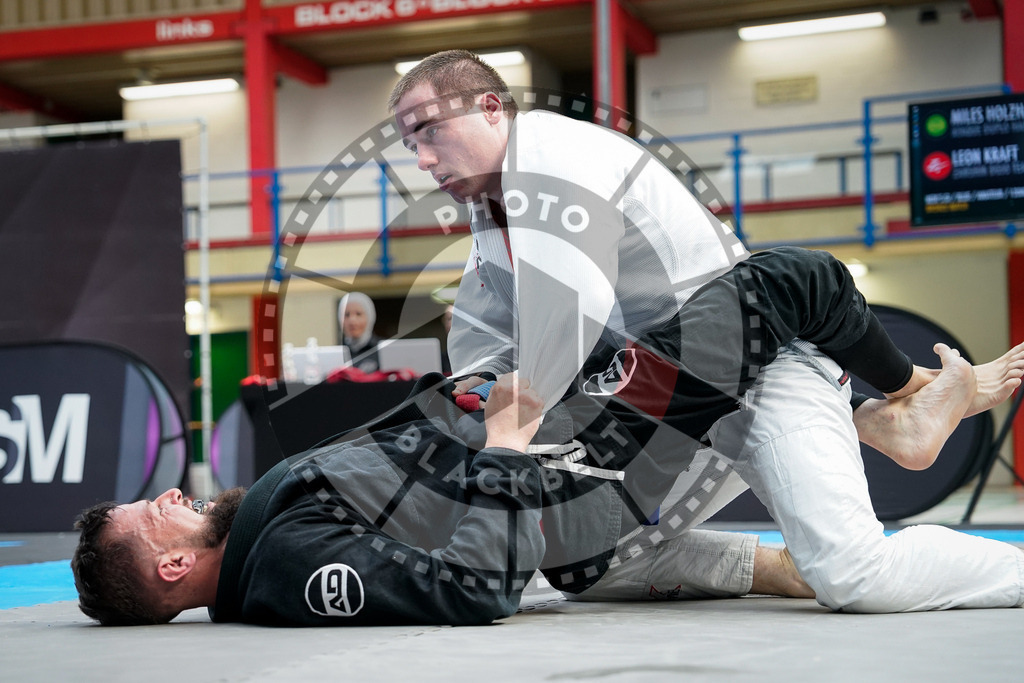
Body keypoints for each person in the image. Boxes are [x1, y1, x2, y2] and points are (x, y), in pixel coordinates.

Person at [71, 249, 1024, 626]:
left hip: (581, 468)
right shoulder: (283, 566)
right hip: (588, 477)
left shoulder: (265, 526)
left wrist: (470, 398)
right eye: (150, 517)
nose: (168, 494)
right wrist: (507, 443)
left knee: (704, 341)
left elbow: (412, 464)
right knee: (788, 288)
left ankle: (872, 411)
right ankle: (903, 402)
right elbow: (471, 582)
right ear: (164, 570)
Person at [388, 49, 1024, 612]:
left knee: (857, 578)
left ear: (492, 107)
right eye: (408, 144)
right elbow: (484, 344)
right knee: (577, 554)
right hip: (671, 404)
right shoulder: (489, 220)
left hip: (759, 367)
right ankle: (780, 557)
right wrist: (472, 405)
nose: (421, 159)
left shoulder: (553, 156)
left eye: (429, 131)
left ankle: (896, 441)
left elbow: (565, 311)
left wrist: (505, 438)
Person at [339, 292, 381, 373]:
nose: (352, 320)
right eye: (347, 315)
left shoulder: (383, 350)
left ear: (370, 317)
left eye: (358, 314)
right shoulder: (336, 353)